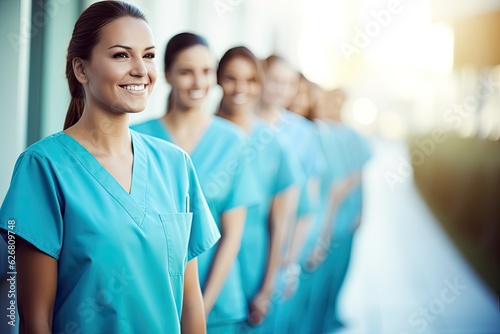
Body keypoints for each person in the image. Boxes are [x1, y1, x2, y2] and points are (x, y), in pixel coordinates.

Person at [0, 2, 220, 333]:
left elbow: (191, 305)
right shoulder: (43, 167)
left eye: (148, 55)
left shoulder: (176, 165)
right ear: (81, 69)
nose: (141, 70)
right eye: (121, 55)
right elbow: (35, 320)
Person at [131, 33, 259, 334]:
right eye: (186, 72)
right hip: (149, 302)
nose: (198, 82)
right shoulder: (137, 138)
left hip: (217, 306)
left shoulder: (233, 143)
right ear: (167, 75)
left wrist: (201, 308)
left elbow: (231, 237)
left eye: (206, 72)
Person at [215, 46, 303, 333]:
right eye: (231, 78)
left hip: (252, 267)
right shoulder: (202, 134)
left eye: (251, 80)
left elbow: (281, 224)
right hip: (201, 265)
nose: (241, 88)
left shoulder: (274, 144)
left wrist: (266, 288)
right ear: (217, 79)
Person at [256, 55, 326, 332]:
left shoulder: (304, 134)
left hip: (282, 243)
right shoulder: (236, 124)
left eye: (288, 84)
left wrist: (291, 261)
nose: (280, 89)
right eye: (274, 80)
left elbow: (308, 206)